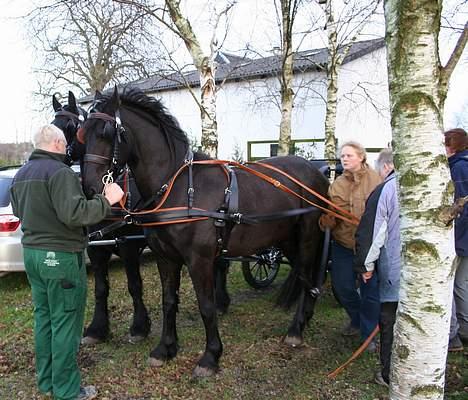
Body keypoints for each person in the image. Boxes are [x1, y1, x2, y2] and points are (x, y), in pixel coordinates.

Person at [10, 125, 124, 400]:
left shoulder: (22, 173)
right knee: (66, 324)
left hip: (33, 256)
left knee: (45, 319)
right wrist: (107, 200)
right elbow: (76, 214)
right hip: (59, 258)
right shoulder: (59, 173)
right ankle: (67, 390)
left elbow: (17, 210)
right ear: (59, 143)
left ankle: (47, 381)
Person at [319, 141, 381, 347]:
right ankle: (358, 319)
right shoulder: (337, 185)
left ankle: (368, 335)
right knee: (342, 287)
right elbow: (330, 215)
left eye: (349, 156)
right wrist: (327, 219)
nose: (344, 159)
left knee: (370, 291)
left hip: (370, 247)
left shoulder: (376, 181)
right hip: (344, 244)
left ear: (361, 157)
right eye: (342, 156)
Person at [353, 148, 400, 387]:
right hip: (431, 275)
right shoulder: (432, 183)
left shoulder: (386, 188)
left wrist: (365, 266)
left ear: (385, 167)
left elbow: (373, 233)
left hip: (396, 273)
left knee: (390, 320)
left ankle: (389, 374)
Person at [444, 128, 468, 352]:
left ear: (451, 146)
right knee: (461, 284)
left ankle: (453, 335)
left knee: (449, 285)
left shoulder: (459, 168)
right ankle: (464, 330)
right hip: (464, 239)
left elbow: (459, 207)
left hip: (459, 239)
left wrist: (451, 238)